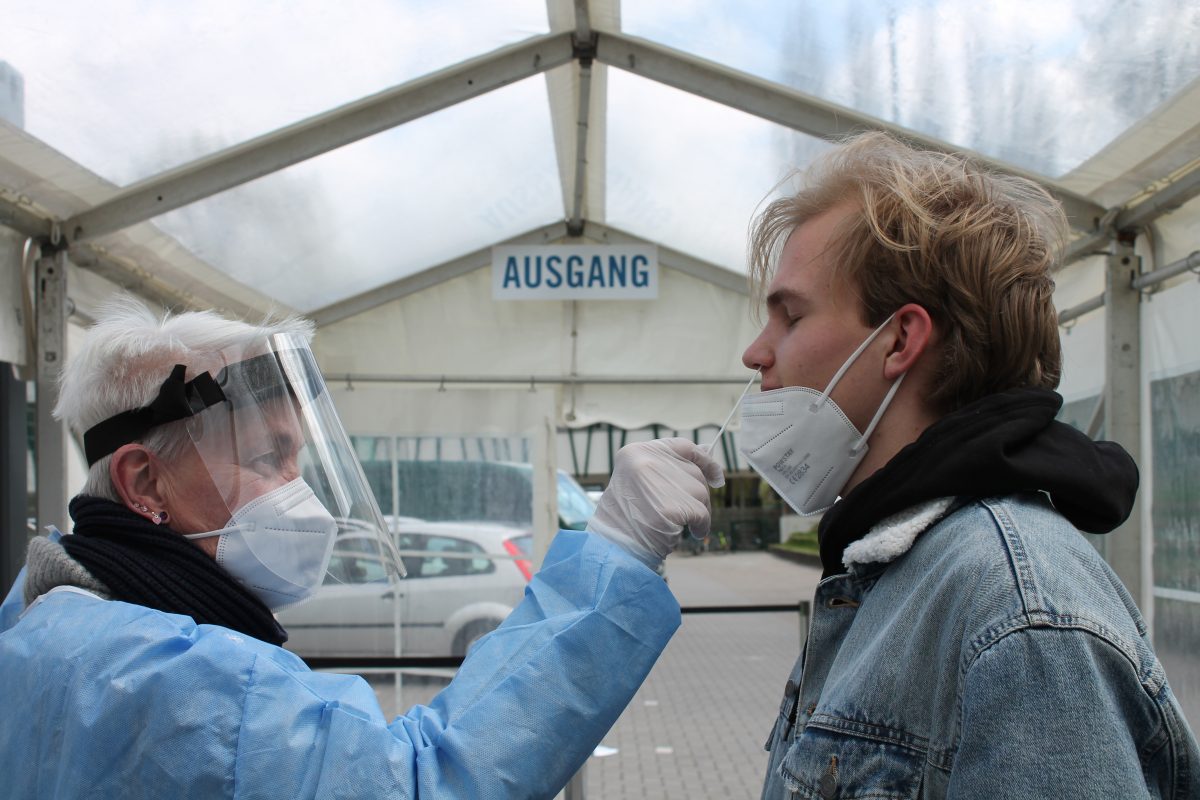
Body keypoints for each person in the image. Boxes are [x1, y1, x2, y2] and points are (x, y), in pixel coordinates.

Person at [587, 132, 1200, 798]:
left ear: (901, 340)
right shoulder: (899, 567)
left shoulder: (1018, 614)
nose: (756, 354)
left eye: (789, 316)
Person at [0, 300, 724, 799]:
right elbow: (421, 784)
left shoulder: (34, 625)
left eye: (298, 463)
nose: (297, 493)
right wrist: (616, 555)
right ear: (144, 480)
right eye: (266, 458)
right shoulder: (187, 680)